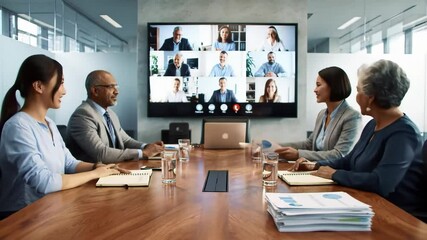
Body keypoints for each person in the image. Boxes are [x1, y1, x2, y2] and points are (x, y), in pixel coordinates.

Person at [288, 60, 427, 220]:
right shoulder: (373, 124)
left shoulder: (404, 133)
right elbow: (349, 161)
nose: (356, 96)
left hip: (396, 217)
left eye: (358, 90)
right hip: (367, 206)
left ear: (370, 98)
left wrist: (335, 174)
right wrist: (316, 165)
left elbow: (381, 182)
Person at [0, 55, 127, 220]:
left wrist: (100, 167)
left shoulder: (50, 124)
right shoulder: (17, 127)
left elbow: (69, 163)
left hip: (49, 210)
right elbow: (44, 182)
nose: (64, 90)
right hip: (21, 217)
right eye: (60, 83)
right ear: (39, 86)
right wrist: (95, 174)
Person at [66, 70, 164, 163]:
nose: (116, 92)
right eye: (111, 87)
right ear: (95, 91)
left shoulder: (110, 113)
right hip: (92, 177)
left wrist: (147, 146)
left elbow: (126, 141)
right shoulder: (82, 115)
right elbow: (101, 154)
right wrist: (143, 153)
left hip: (111, 171)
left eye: (116, 86)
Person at [276, 66, 362, 161]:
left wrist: (298, 154)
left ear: (333, 86)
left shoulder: (352, 116)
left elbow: (339, 154)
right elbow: (309, 144)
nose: (315, 90)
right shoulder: (322, 114)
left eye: (318, 85)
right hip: (315, 170)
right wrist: (277, 147)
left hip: (334, 173)